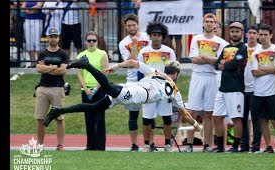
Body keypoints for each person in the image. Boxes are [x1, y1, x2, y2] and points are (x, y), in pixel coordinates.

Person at [44, 56, 203, 137]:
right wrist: (197, 125)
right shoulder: (175, 90)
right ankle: (86, 64)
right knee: (109, 89)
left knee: (95, 107)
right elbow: (185, 114)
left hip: (133, 87)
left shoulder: (155, 72)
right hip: (140, 94)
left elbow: (134, 63)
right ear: (176, 74)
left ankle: (58, 111)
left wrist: (116, 67)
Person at [184, 13, 229, 152]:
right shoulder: (196, 39)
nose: (209, 24)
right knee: (192, 111)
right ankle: (189, 144)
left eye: (212, 22)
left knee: (209, 113)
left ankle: (207, 145)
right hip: (198, 76)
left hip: (212, 77)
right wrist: (212, 59)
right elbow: (194, 59)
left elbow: (221, 63)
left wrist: (204, 56)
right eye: (207, 21)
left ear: (215, 25)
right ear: (203, 24)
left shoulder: (222, 43)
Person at [138, 21, 177, 152]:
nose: (156, 37)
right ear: (150, 36)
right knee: (147, 118)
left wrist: (171, 88)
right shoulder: (144, 52)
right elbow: (139, 71)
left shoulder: (169, 52)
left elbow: (175, 71)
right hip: (149, 89)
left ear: (162, 37)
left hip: (164, 89)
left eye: (159, 35)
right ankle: (147, 144)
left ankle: (167, 144)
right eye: (154, 34)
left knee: (166, 117)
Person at [212, 22, 248, 153]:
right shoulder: (226, 48)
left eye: (237, 31)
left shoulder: (243, 48)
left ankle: (235, 146)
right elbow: (216, 65)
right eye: (232, 31)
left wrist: (224, 64)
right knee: (216, 116)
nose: (234, 34)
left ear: (242, 33)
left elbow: (235, 65)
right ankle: (220, 146)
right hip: (223, 88)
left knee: (236, 118)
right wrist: (224, 64)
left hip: (236, 89)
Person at [118, 14, 151, 152]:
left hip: (148, 79)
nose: (132, 28)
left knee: (149, 114)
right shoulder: (123, 43)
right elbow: (128, 63)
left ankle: (149, 144)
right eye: (129, 26)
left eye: (134, 25)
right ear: (125, 27)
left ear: (138, 24)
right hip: (132, 81)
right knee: (133, 115)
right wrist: (134, 46)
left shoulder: (147, 37)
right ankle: (134, 144)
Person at [34, 27, 69, 150]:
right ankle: (40, 145)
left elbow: (63, 71)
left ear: (58, 38)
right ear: (47, 38)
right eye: (51, 36)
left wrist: (47, 68)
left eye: (55, 36)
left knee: (59, 118)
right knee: (40, 118)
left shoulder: (63, 54)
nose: (53, 39)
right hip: (43, 88)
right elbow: (38, 69)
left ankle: (60, 145)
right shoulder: (43, 53)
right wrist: (54, 68)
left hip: (57, 88)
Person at [77, 31, 109, 151]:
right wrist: (85, 89)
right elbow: (79, 74)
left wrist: (96, 88)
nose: (91, 42)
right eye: (89, 40)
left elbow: (105, 73)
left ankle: (100, 146)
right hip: (86, 91)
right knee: (88, 119)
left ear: (97, 41)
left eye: (93, 40)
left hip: (99, 90)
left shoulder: (102, 54)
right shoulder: (81, 55)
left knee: (99, 119)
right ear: (86, 41)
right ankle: (90, 146)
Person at [251, 24, 275, 153]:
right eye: (260, 35)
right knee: (263, 120)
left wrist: (263, 68)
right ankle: (269, 146)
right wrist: (271, 69)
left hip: (273, 91)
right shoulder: (255, 52)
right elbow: (254, 72)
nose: (262, 37)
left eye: (265, 35)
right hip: (258, 92)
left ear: (271, 35)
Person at [240, 25, 262, 153]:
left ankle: (256, 146)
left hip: (256, 88)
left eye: (255, 33)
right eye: (250, 33)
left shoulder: (260, 50)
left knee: (256, 118)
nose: (252, 35)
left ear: (258, 35)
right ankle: (244, 145)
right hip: (242, 87)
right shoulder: (242, 48)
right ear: (246, 35)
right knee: (242, 118)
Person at [21, 1, 44, 68]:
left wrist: (27, 9)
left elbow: (38, 6)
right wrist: (31, 10)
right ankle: (32, 62)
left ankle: (40, 62)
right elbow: (22, 8)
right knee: (29, 43)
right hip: (27, 20)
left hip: (37, 20)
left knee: (37, 42)